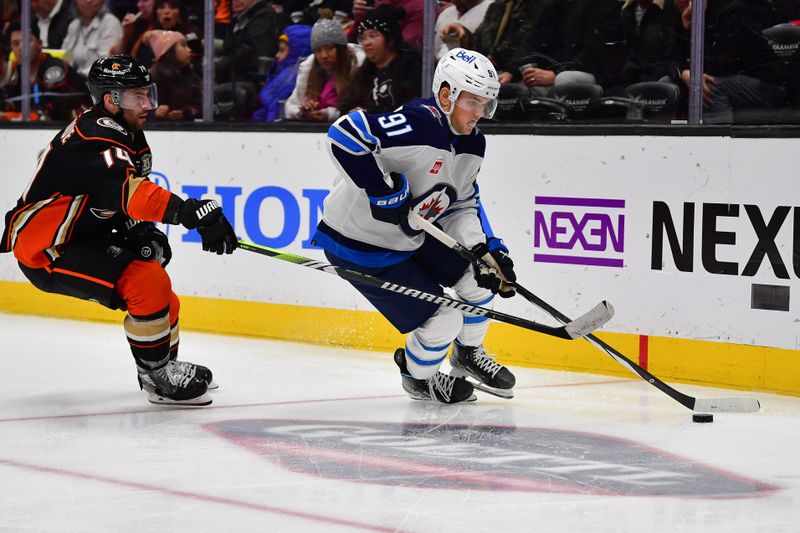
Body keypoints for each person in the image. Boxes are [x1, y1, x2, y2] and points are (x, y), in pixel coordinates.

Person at [0, 55, 237, 406]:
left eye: (148, 94)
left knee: (158, 284)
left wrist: (139, 230)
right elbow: (129, 193)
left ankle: (165, 365)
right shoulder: (97, 135)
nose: (147, 104)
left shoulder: (123, 132)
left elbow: (109, 198)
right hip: (47, 248)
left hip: (79, 234)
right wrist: (189, 212)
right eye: (137, 96)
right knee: (145, 283)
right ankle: (158, 379)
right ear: (111, 99)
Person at [312, 48, 517, 404]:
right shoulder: (419, 124)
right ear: (445, 95)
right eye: (472, 102)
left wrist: (484, 247)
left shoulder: (474, 142)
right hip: (361, 244)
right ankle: (418, 377)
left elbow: (462, 203)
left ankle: (467, 354)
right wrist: (380, 189)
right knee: (446, 320)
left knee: (479, 278)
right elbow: (344, 134)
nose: (479, 113)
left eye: (485, 104)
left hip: (411, 233)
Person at [337, 4, 422, 115]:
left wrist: (370, 115)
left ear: (390, 39)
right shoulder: (365, 72)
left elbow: (411, 107)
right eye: (363, 38)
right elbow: (346, 106)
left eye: (372, 36)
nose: (366, 43)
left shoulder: (411, 66)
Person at [283, 13, 363, 122]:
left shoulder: (358, 68)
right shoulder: (308, 68)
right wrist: (303, 111)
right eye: (318, 51)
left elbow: (360, 111)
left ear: (341, 50)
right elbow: (290, 106)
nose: (324, 56)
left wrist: (328, 114)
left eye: (330, 48)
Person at [3, 21, 88, 121]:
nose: (21, 48)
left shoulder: (54, 69)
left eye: (27, 41)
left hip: (79, 124)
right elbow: (9, 103)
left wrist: (8, 116)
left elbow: (50, 111)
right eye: (15, 43)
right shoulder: (14, 74)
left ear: (40, 44)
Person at [214, 0, 284, 119]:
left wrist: (217, 66)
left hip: (253, 80)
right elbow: (230, 49)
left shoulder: (263, 16)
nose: (236, 1)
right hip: (233, 76)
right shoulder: (238, 18)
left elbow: (250, 53)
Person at [251, 24, 312, 122]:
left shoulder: (293, 77)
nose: (277, 55)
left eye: (282, 50)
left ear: (296, 53)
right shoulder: (281, 73)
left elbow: (274, 107)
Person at [62, 0, 123, 78]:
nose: (88, 1)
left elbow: (106, 64)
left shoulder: (110, 23)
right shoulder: (74, 25)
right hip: (75, 84)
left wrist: (77, 76)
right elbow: (65, 55)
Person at [148, 29, 201, 120]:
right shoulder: (150, 78)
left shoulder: (192, 77)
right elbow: (135, 110)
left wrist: (186, 113)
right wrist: (153, 113)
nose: (189, 50)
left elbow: (202, 107)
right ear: (169, 51)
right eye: (183, 46)